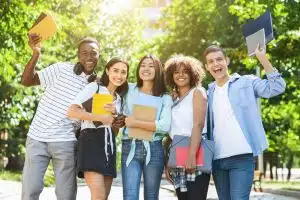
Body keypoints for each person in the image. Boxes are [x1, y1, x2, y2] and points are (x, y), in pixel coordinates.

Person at [21, 34, 100, 200]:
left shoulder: (97, 86)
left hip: (66, 142)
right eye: (84, 53)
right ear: (78, 56)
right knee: (30, 191)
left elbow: (97, 119)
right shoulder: (61, 69)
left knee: (66, 195)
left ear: (99, 55)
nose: (89, 57)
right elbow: (27, 81)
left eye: (93, 53)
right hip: (37, 138)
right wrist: (36, 55)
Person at [204, 45, 286, 200]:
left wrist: (263, 58)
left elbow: (277, 87)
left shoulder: (246, 82)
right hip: (217, 161)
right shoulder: (208, 93)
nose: (216, 64)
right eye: (211, 61)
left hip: (241, 158)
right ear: (207, 67)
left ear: (227, 61)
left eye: (219, 59)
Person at [67, 57, 129, 200]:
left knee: (104, 197)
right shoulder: (94, 88)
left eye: (123, 72)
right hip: (90, 141)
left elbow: (114, 131)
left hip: (109, 145)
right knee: (99, 196)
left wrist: (116, 120)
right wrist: (101, 117)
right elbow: (72, 111)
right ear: (107, 70)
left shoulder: (120, 99)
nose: (119, 76)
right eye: (115, 70)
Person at [121, 55, 172, 200]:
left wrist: (135, 122)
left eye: (151, 66)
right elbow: (110, 84)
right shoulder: (129, 89)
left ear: (158, 70)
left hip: (154, 148)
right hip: (129, 146)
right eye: (143, 65)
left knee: (151, 196)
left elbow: (165, 126)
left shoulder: (165, 97)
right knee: (130, 196)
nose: (146, 69)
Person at [164, 55, 210, 200]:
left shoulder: (197, 92)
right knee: (182, 197)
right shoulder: (173, 98)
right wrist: (169, 162)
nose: (181, 75)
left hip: (196, 148)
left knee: (196, 196)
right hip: (177, 148)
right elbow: (172, 131)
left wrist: (191, 155)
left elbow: (198, 124)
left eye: (185, 71)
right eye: (176, 72)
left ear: (192, 74)